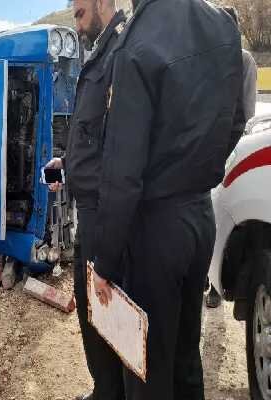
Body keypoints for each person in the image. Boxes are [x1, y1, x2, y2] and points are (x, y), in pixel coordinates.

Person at [90, 0, 245, 398]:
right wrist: (203, 165)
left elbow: (122, 173)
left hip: (156, 230)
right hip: (199, 216)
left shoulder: (137, 44)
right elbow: (236, 118)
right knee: (186, 357)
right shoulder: (222, 27)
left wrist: (104, 261)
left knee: (147, 369)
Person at [45, 0, 126, 399]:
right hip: (87, 209)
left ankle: (112, 393)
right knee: (90, 312)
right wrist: (67, 163)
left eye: (79, 14)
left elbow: (121, 149)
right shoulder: (101, 53)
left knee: (105, 314)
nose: (76, 26)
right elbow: (93, 135)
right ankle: (104, 390)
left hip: (103, 214)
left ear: (101, 3)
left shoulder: (122, 53)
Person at [206, 6, 258, 308]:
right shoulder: (214, 61)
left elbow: (247, 112)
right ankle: (206, 276)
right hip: (212, 146)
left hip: (233, 147)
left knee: (223, 214)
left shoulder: (244, 61)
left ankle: (215, 285)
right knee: (209, 211)